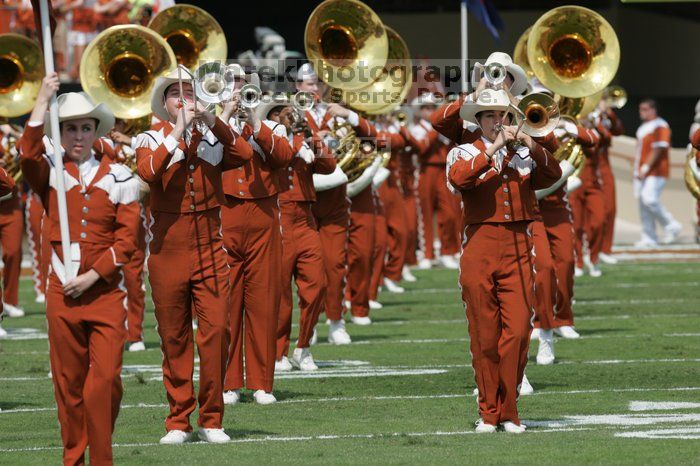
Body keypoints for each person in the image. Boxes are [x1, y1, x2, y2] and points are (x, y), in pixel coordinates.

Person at [19, 73, 140, 464]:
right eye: (70, 129)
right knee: (69, 386)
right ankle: (74, 458)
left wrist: (93, 275)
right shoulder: (50, 174)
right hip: (62, 295)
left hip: (104, 294)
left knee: (104, 384)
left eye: (85, 128)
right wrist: (42, 100)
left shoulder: (121, 176)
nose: (77, 136)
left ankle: (101, 458)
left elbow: (127, 241)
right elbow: (26, 154)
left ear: (95, 132)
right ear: (62, 132)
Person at [135, 68, 253, 444]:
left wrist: (211, 118)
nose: (184, 100)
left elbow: (244, 153)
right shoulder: (150, 136)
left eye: (191, 93)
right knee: (174, 337)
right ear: (165, 103)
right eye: (176, 95)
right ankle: (178, 421)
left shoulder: (213, 137)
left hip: (209, 248)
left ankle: (212, 419)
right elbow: (148, 171)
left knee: (218, 331)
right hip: (168, 249)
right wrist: (176, 132)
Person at [448, 89, 561, 433]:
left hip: (517, 247)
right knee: (484, 336)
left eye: (504, 115)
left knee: (517, 332)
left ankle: (510, 411)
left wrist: (529, 142)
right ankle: (489, 412)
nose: (499, 122)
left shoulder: (526, 153)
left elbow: (553, 173)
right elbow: (459, 179)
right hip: (480, 247)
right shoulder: (463, 150)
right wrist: (494, 149)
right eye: (491, 116)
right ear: (478, 121)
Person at [219, 67, 295, 405]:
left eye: (243, 84)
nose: (238, 90)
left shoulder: (272, 126)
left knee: (265, 301)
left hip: (263, 215)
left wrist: (255, 122)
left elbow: (283, 157)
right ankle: (230, 382)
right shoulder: (211, 124)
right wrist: (223, 118)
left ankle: (262, 382)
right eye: (232, 84)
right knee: (227, 303)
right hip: (225, 214)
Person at [270, 96, 338, 368]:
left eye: (288, 113)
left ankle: (304, 346)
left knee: (317, 284)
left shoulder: (304, 139)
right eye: (280, 113)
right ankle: (278, 351)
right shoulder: (269, 140)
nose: (286, 117)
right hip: (280, 216)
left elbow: (329, 166)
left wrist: (312, 137)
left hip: (306, 217)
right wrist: (294, 141)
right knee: (281, 291)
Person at [634, 99, 681, 247]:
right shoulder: (644, 127)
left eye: (645, 109)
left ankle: (672, 225)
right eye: (640, 109)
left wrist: (645, 167)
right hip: (643, 171)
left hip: (656, 171)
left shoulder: (660, 125)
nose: (641, 112)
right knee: (643, 204)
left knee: (649, 199)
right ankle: (649, 237)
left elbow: (659, 148)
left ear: (653, 110)